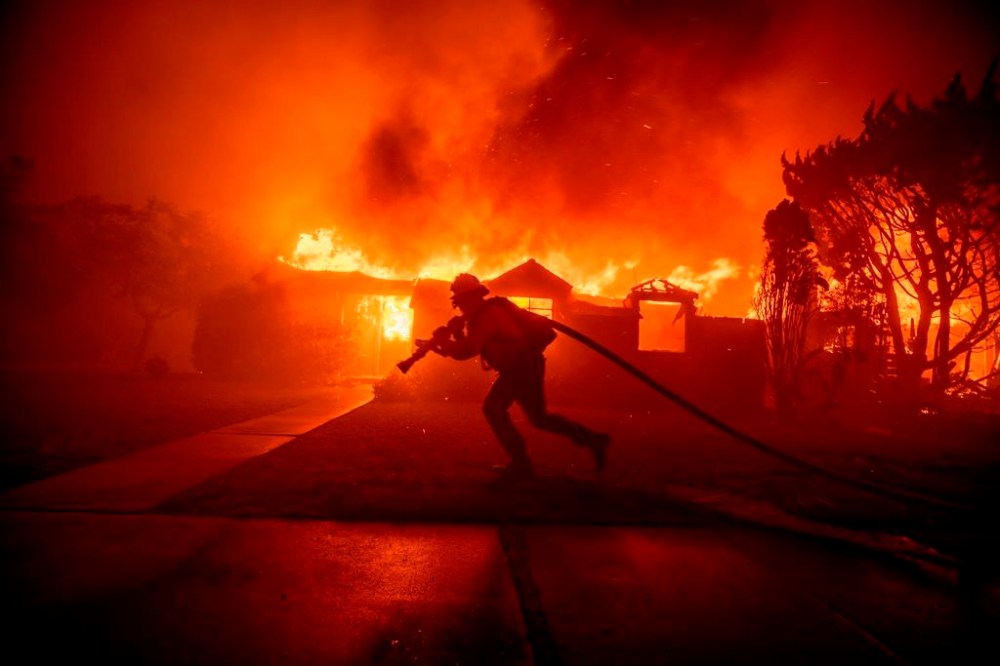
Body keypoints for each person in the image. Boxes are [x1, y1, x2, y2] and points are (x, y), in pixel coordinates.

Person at [433, 273, 611, 481]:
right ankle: (593, 440)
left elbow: (466, 351)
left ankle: (522, 464)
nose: (460, 307)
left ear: (471, 298)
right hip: (522, 367)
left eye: (460, 301)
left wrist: (444, 342)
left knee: (494, 409)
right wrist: (455, 335)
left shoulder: (486, 317)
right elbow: (471, 346)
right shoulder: (482, 315)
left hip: (521, 367)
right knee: (538, 418)